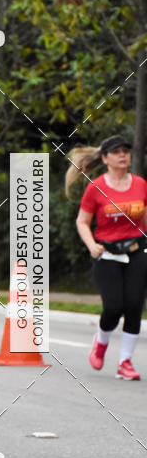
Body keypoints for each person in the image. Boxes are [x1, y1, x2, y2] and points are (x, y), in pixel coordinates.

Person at [68, 134, 147, 380]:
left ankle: (125, 362)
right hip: (107, 253)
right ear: (105, 158)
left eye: (126, 151)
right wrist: (91, 245)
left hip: (137, 251)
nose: (123, 155)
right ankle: (101, 341)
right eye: (116, 152)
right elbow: (82, 221)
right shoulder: (96, 187)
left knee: (134, 306)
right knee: (113, 307)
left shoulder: (141, 184)